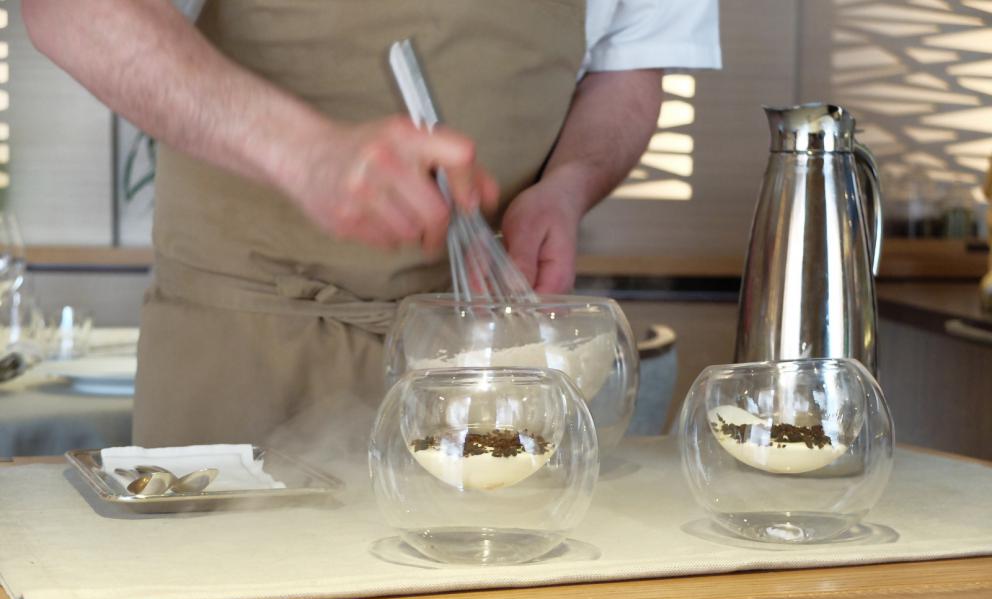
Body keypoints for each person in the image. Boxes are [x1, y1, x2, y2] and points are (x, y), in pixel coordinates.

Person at [24, 0, 721, 447]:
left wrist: (567, 186)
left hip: (489, 366)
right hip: (246, 353)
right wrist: (302, 152)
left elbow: (630, 64)